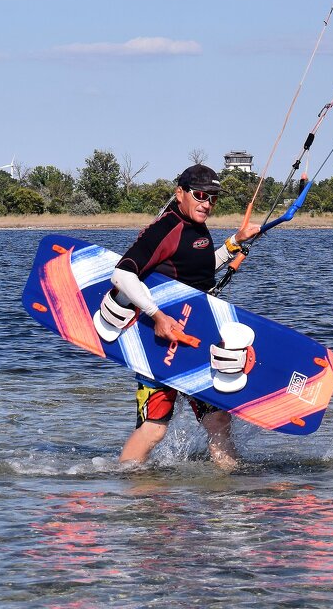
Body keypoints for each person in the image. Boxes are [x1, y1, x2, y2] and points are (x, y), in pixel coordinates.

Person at [107, 164, 260, 469]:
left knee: (217, 420)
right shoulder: (167, 227)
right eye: (200, 195)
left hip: (193, 340)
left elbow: (195, 271)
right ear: (180, 193)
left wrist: (234, 243)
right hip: (159, 345)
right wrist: (158, 316)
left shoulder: (196, 228)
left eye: (213, 198)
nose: (207, 203)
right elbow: (122, 275)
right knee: (154, 429)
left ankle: (232, 490)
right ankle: (126, 488)